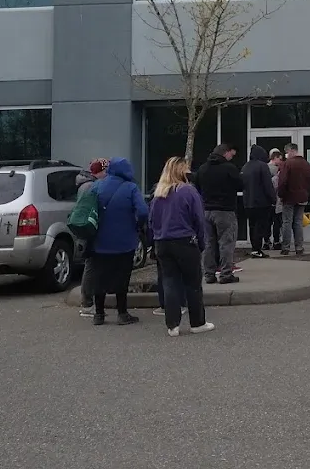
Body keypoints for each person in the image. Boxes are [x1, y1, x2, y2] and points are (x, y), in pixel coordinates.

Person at [149, 157, 214, 336]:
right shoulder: (188, 191)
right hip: (184, 241)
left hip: (162, 242)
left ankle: (172, 325)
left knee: (169, 282)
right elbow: (199, 220)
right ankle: (197, 322)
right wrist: (201, 243)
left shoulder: (158, 193)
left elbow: (152, 221)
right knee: (192, 283)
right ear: (182, 171)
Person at [88, 157, 148, 326]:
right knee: (122, 277)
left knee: (99, 277)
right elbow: (143, 211)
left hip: (100, 240)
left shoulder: (97, 186)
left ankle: (99, 314)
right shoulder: (130, 188)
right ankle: (122, 313)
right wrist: (137, 225)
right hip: (124, 241)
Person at [193, 143, 242, 285]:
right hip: (225, 210)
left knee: (209, 243)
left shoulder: (203, 169)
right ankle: (226, 274)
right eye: (230, 155)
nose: (231, 157)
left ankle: (209, 274)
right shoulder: (229, 168)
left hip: (207, 210)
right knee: (226, 243)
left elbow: (197, 187)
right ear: (225, 153)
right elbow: (240, 184)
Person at [75, 158, 108, 318]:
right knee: (91, 266)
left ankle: (88, 302)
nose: (107, 174)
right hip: (89, 229)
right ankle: (87, 303)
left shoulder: (84, 185)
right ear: (100, 172)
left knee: (92, 265)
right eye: (105, 171)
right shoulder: (91, 187)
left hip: (85, 229)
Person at [276, 142, 310, 256]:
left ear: (291, 151)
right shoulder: (307, 164)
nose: (286, 155)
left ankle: (286, 247)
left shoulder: (287, 164)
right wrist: (306, 193)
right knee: (298, 222)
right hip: (302, 197)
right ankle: (299, 247)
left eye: (287, 152)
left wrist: (281, 195)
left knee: (287, 222)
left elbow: (282, 181)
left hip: (289, 197)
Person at [241, 145, 277, 258]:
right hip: (261, 202)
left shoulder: (245, 166)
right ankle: (257, 249)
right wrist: (273, 199)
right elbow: (267, 185)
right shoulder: (262, 166)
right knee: (260, 226)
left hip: (248, 202)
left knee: (252, 226)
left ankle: (254, 248)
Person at [266, 149, 284, 250]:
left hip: (267, 201)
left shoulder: (264, 168)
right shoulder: (277, 170)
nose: (280, 162)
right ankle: (276, 241)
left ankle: (266, 241)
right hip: (276, 200)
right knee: (277, 222)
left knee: (267, 223)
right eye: (280, 159)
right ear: (275, 157)